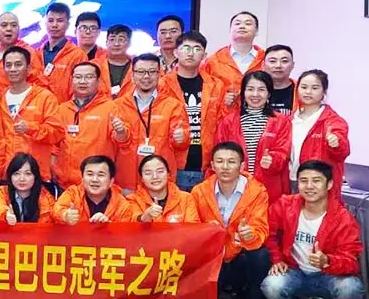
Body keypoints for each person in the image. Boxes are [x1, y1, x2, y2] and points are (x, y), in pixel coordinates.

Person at [262, 160, 365, 299]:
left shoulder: (343, 218)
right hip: (295, 271)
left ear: (329, 184)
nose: (309, 186)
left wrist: (328, 261)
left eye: (316, 180)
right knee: (271, 286)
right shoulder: (285, 205)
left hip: (328, 275)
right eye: (304, 180)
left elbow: (351, 262)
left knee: (351, 288)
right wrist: (277, 259)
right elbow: (268, 233)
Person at [192, 141, 272, 299]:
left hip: (240, 254)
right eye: (220, 161)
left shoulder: (257, 191)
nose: (225, 167)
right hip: (213, 256)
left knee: (261, 255)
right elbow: (191, 225)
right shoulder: (199, 192)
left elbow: (261, 227)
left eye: (231, 161)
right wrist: (206, 230)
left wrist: (250, 234)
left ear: (242, 166)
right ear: (212, 165)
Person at [159, 30, 233, 191]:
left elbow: (223, 123)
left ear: (204, 55)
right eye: (186, 48)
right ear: (176, 52)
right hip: (172, 162)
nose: (191, 53)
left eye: (197, 48)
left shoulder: (216, 85)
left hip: (206, 164)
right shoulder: (162, 85)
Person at [110, 54, 189, 191]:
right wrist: (121, 133)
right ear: (132, 75)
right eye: (141, 72)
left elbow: (180, 145)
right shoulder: (118, 105)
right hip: (126, 180)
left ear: (159, 74)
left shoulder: (173, 106)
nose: (146, 76)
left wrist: (182, 138)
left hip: (159, 181)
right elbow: (114, 142)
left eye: (152, 72)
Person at [214, 71, 291, 202]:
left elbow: (283, 151)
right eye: (250, 89)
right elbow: (218, 152)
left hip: (268, 186)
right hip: (234, 186)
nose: (255, 94)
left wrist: (273, 160)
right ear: (243, 93)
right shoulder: (228, 121)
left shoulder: (281, 121)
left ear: (269, 93)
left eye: (261, 90)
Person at [52, 62, 122, 193]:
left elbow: (121, 141)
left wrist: (121, 132)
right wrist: (53, 169)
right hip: (64, 185)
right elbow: (54, 145)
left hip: (96, 184)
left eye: (89, 77)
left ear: (98, 81)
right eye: (78, 77)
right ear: (71, 80)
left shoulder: (110, 108)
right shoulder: (62, 109)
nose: (82, 81)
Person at [0, 46, 63, 175]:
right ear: (4, 69)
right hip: (7, 173)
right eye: (8, 65)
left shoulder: (45, 97)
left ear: (28, 69)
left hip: (35, 172)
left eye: (18, 64)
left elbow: (57, 133)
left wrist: (30, 128)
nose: (13, 69)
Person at [284, 70, 350, 196]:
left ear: (324, 91)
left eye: (314, 88)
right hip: (290, 181)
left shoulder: (333, 121)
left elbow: (343, 151)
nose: (308, 92)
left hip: (317, 185)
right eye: (304, 87)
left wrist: (336, 143)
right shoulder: (289, 120)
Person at [54, 155, 137, 224]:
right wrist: (65, 215)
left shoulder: (122, 205)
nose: (94, 179)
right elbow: (56, 210)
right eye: (90, 174)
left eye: (100, 175)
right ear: (82, 178)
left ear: (111, 181)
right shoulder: (73, 194)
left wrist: (109, 226)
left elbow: (124, 233)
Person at [31, 3, 89, 102]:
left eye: (60, 21)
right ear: (45, 23)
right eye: (50, 20)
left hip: (63, 109)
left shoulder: (78, 55)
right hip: (37, 109)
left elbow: (81, 91)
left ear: (68, 24)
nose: (54, 25)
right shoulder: (34, 54)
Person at [128, 155, 200, 223]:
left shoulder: (186, 198)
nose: (155, 176)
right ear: (141, 178)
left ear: (168, 174)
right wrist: (145, 217)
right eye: (148, 173)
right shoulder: (133, 200)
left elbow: (193, 227)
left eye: (160, 171)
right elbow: (131, 224)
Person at [202, 11, 265, 89]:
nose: (242, 26)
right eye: (237, 24)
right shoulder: (213, 61)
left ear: (256, 31)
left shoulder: (266, 60)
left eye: (248, 24)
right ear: (230, 30)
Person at [0, 153, 54, 224]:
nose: (22, 179)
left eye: (28, 174)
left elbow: (50, 218)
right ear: (10, 176)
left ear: (35, 176)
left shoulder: (45, 196)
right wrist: (6, 215)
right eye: (16, 174)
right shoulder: (3, 192)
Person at [96, 24, 133, 98]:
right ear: (106, 43)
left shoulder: (139, 66)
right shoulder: (94, 66)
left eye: (121, 40)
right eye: (112, 39)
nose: (116, 44)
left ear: (129, 43)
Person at [263, 44, 297, 115]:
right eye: (272, 61)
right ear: (263, 65)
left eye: (284, 61)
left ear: (293, 65)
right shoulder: (253, 91)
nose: (278, 66)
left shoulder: (301, 90)